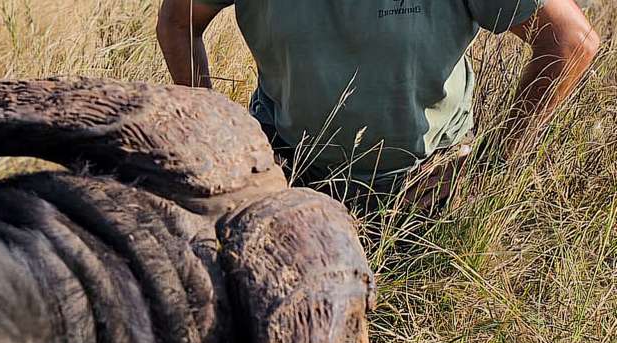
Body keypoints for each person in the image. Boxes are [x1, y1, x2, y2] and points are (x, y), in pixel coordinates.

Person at [156, 0, 599, 215]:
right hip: (285, 181)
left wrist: (489, 166)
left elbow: (570, 41)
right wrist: (219, 140)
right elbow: (179, 21)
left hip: (425, 202)